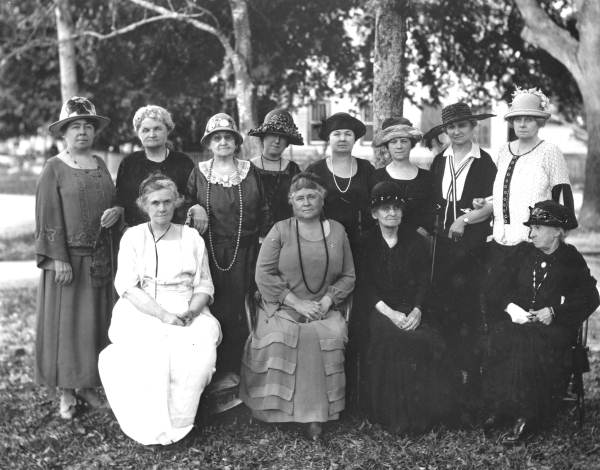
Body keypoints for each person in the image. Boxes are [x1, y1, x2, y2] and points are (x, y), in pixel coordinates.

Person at [98, 174, 220, 445]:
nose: (162, 208)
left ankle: (180, 425)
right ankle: (147, 427)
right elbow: (128, 287)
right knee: (144, 356)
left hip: (186, 307)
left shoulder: (191, 238)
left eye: (167, 201)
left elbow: (204, 285)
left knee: (195, 359)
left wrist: (190, 312)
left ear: (177, 202)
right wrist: (163, 315)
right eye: (155, 203)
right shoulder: (132, 237)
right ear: (143, 205)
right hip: (143, 307)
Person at [240, 172, 355, 440]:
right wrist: (297, 303)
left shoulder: (338, 231)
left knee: (322, 335)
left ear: (322, 199)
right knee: (283, 336)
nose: (306, 202)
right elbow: (263, 275)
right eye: (299, 197)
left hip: (324, 308)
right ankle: (276, 413)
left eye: (312, 196)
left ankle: (315, 416)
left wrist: (327, 301)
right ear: (291, 201)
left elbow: (349, 275)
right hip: (282, 306)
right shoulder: (280, 230)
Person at [481, 201, 598, 445]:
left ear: (557, 231)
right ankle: (502, 408)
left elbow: (590, 296)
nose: (531, 233)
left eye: (537, 228)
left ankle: (527, 416)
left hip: (554, 330)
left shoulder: (571, 259)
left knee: (530, 341)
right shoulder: (522, 253)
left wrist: (554, 312)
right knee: (501, 334)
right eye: (531, 228)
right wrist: (512, 308)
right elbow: (494, 288)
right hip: (520, 323)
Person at [35, 96, 121, 419]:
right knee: (67, 327)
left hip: (100, 258)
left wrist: (117, 211)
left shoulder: (99, 165)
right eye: (75, 126)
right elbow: (46, 218)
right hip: (67, 261)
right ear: (64, 133)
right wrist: (58, 259)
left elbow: (112, 203)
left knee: (94, 324)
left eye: (88, 126)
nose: (82, 132)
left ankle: (88, 385)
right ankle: (67, 392)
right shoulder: (53, 168)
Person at [354, 181, 453, 432]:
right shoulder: (364, 242)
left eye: (397, 207)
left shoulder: (415, 241)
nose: (392, 213)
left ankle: (423, 415)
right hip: (379, 309)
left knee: (426, 339)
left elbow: (423, 282)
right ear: (374, 213)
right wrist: (390, 313)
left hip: (412, 308)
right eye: (385, 208)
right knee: (392, 340)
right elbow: (364, 286)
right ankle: (393, 416)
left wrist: (417, 310)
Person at [186, 113, 268, 382]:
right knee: (214, 306)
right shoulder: (199, 172)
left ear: (236, 142)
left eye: (228, 137)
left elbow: (264, 209)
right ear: (209, 143)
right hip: (209, 252)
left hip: (245, 252)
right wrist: (193, 206)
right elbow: (185, 203)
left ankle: (242, 369)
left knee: (242, 306)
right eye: (217, 138)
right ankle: (214, 372)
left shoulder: (249, 170)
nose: (223, 142)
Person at [426, 102, 496, 408]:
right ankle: (447, 382)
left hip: (471, 249)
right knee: (443, 311)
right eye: (450, 127)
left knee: (468, 312)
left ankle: (472, 385)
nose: (456, 132)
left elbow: (491, 205)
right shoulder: (439, 161)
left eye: (462, 126)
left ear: (473, 127)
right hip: (442, 248)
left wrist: (463, 220)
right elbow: (433, 200)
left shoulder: (485, 162)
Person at [483, 89, 574, 293]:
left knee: (525, 305)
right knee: (497, 302)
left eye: (529, 119)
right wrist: (486, 202)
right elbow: (501, 192)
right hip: (500, 242)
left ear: (540, 122)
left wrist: (557, 237)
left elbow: (562, 197)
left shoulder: (549, 152)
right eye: (517, 119)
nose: (522, 124)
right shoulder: (503, 151)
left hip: (533, 244)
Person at [115, 105, 195, 226]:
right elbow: (121, 201)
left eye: (157, 129)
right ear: (138, 133)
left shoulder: (183, 162)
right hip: (137, 235)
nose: (152, 134)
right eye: (145, 130)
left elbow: (193, 199)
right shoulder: (129, 163)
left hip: (176, 233)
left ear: (168, 130)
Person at [306, 112, 374, 251]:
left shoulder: (366, 168)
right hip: (322, 242)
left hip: (362, 243)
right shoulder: (315, 171)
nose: (342, 138)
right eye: (336, 134)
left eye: (348, 134)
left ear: (354, 138)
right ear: (328, 138)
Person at [371, 117, 432, 235]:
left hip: (418, 244)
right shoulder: (376, 177)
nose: (399, 146)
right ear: (387, 146)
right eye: (393, 142)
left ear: (411, 144)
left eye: (404, 141)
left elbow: (432, 214)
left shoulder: (427, 178)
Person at [248, 109, 303, 234]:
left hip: (286, 237)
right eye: (273, 134)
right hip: (253, 239)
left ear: (287, 142)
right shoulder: (247, 169)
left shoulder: (293, 170)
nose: (277, 141)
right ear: (263, 137)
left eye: (282, 137)